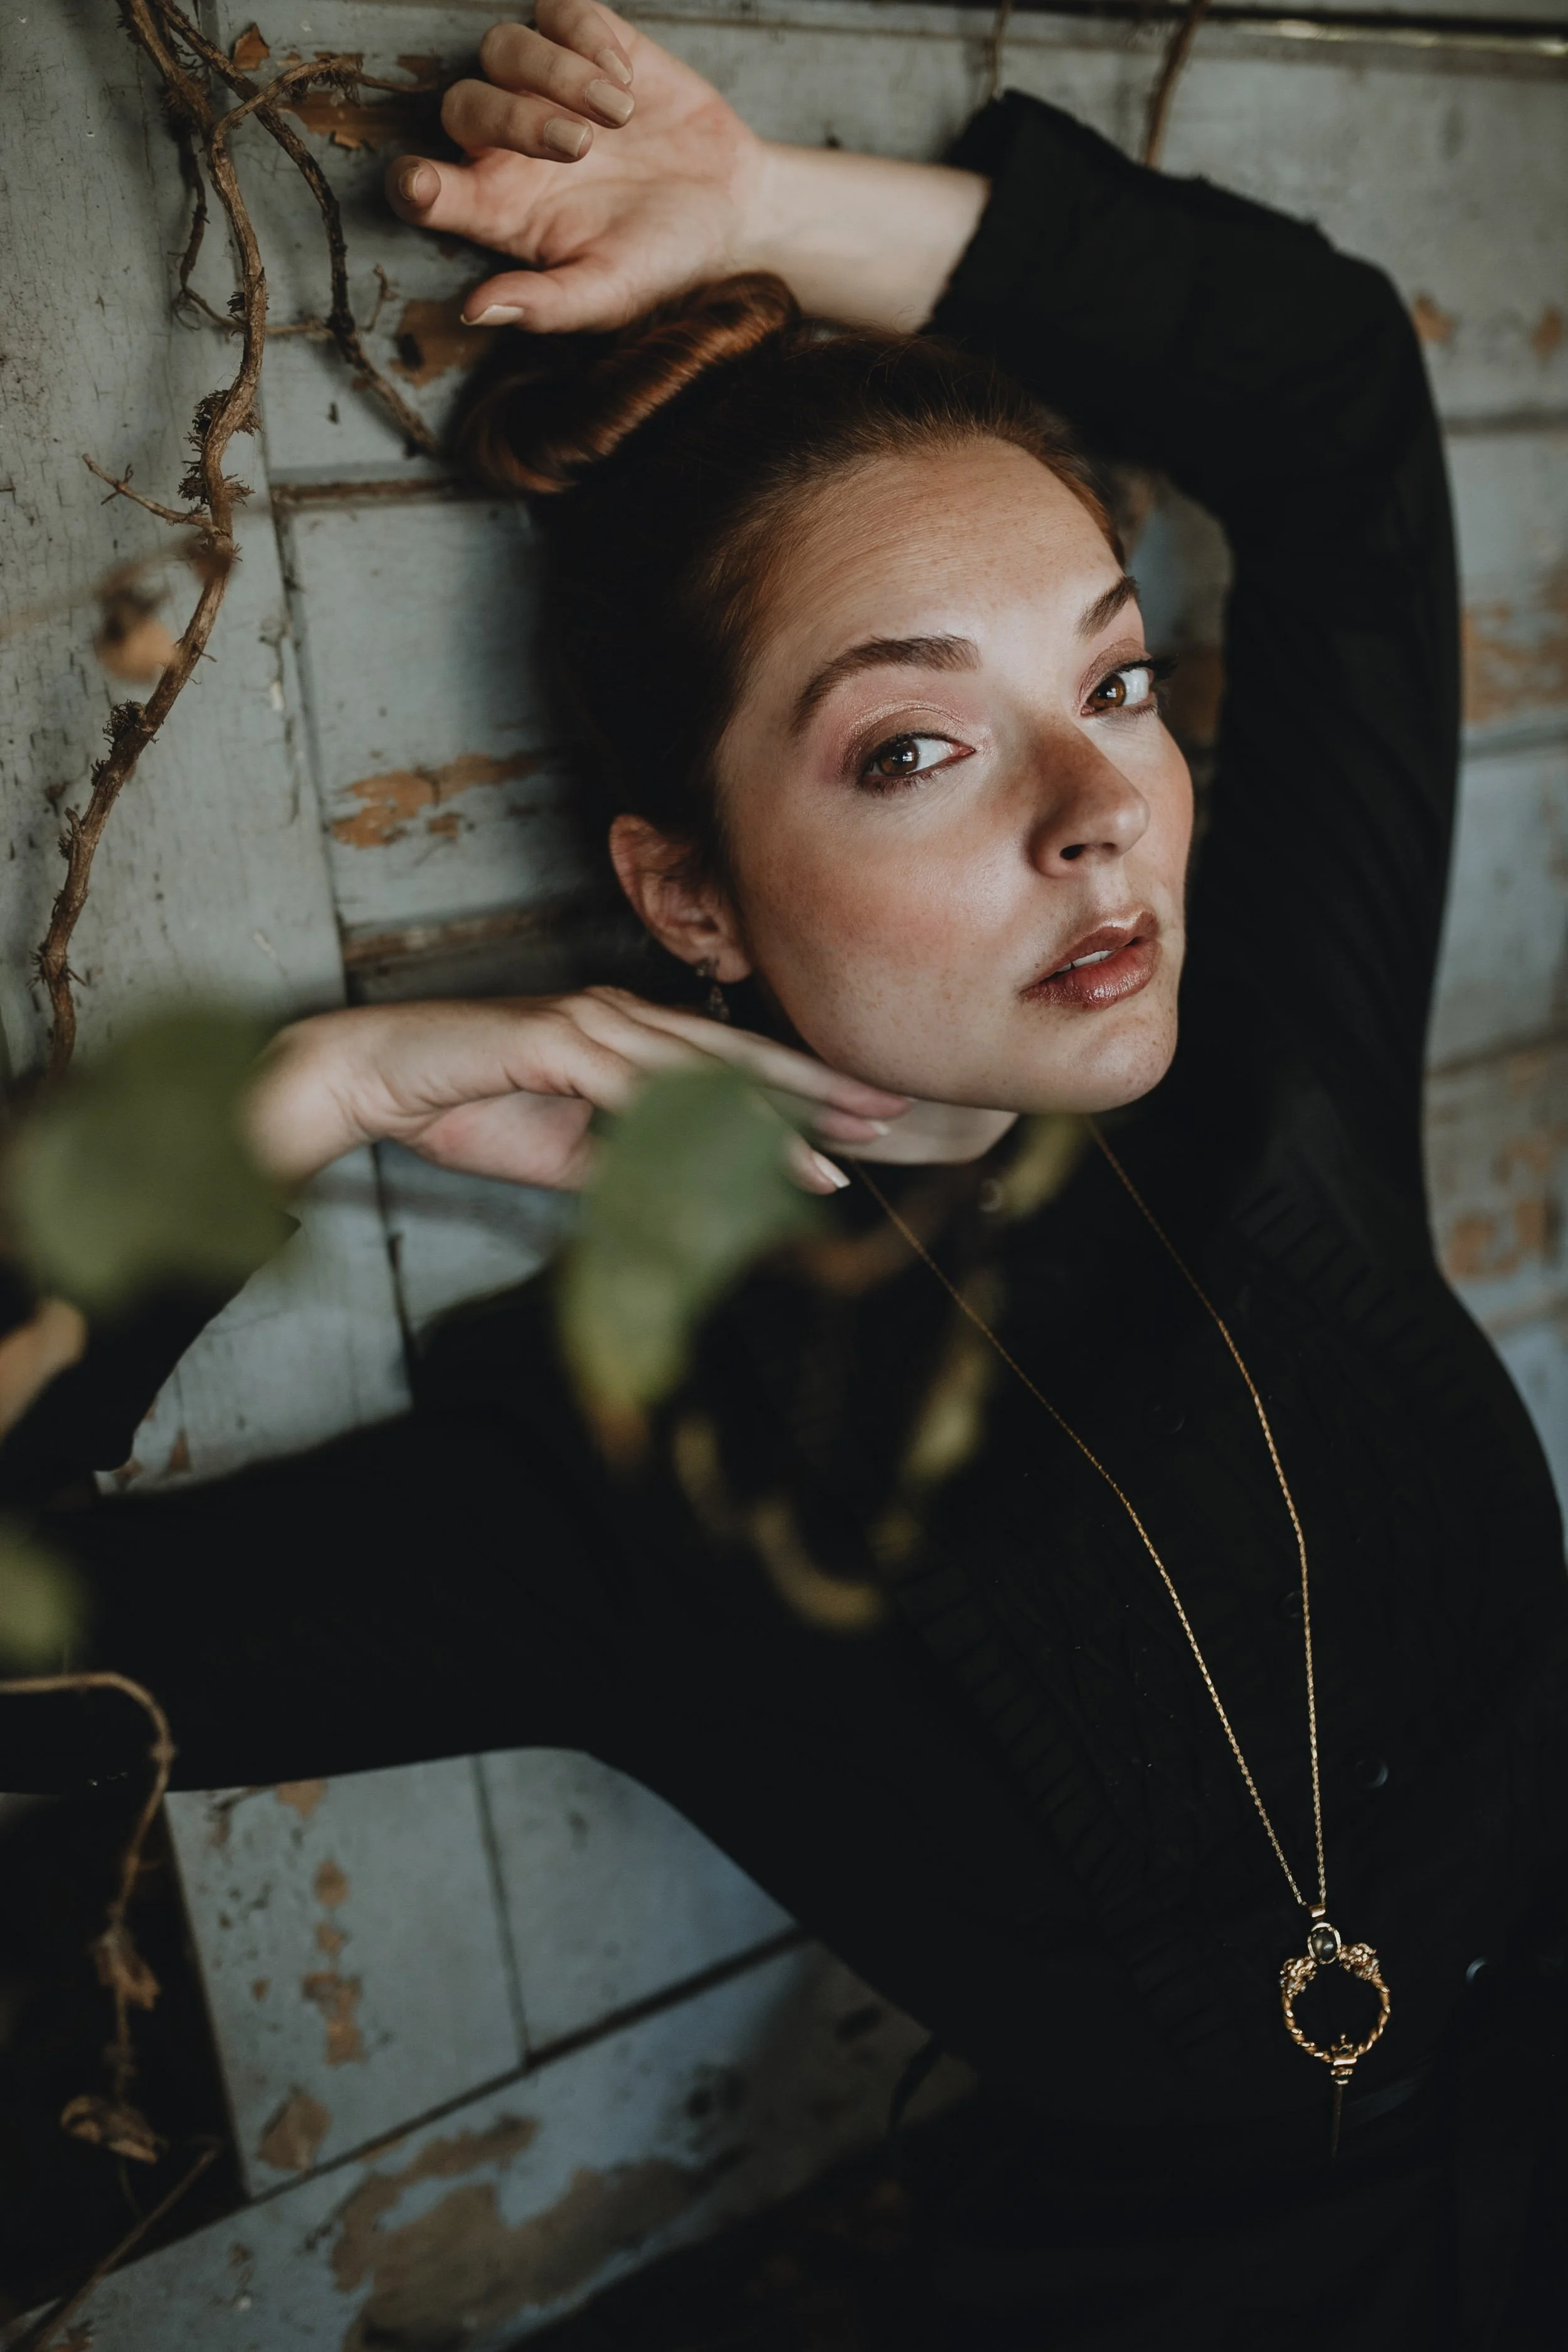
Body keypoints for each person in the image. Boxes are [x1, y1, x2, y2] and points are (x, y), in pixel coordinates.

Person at [3, 8, 1564, 2343]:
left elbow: (1334, 400)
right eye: (917, 743)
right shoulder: (634, 1470)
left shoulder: (1267, 1075)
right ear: (691, 895)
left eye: (1113, 682)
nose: (1094, 806)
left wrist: (759, 211)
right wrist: (318, 1091)